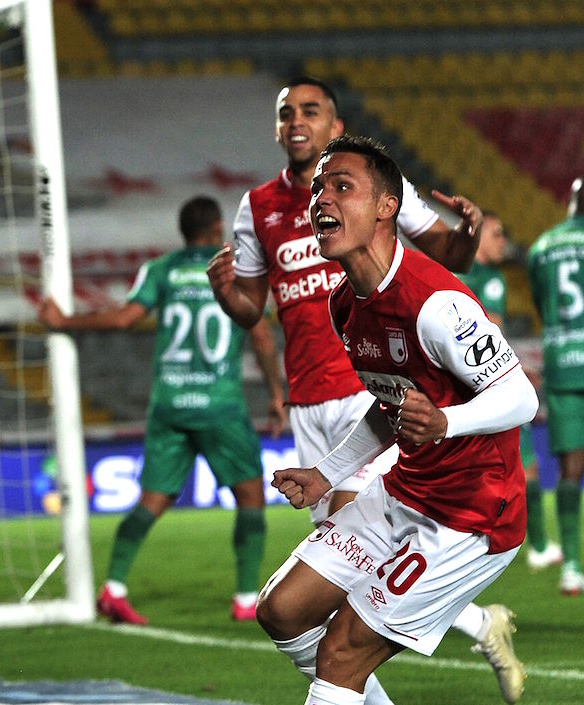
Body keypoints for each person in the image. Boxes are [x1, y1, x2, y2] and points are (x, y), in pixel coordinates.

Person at [206, 76, 525, 703]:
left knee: (342, 651)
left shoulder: (436, 305)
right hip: (403, 486)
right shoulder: (344, 304)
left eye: (340, 188)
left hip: (471, 514)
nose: (321, 200)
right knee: (282, 610)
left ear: (388, 208)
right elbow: (390, 406)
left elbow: (521, 399)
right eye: (319, 189)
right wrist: (327, 473)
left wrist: (447, 424)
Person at [38, 195, 285, 624]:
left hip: (169, 403)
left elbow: (122, 319)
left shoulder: (162, 269)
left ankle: (113, 588)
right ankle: (246, 598)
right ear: (215, 230)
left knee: (153, 499)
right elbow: (261, 338)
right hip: (219, 406)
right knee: (250, 497)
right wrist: (276, 395)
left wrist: (64, 323)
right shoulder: (233, 271)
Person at [459, 212, 562, 573]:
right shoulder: (489, 279)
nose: (503, 241)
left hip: (465, 388)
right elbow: (491, 333)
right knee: (526, 468)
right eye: (497, 234)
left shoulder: (452, 274)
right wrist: (514, 371)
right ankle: (535, 545)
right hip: (490, 388)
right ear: (479, 236)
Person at [527, 176, 584, 596]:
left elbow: (541, 303)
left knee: (570, 469)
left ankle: (572, 567)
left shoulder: (542, 248)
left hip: (563, 364)